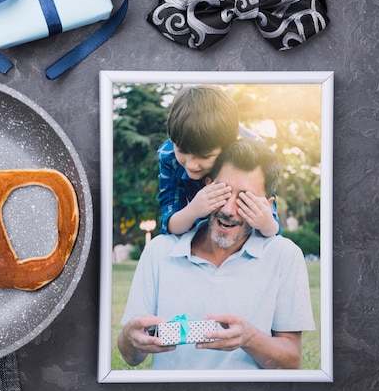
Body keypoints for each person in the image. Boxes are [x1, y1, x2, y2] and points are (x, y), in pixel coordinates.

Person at [118, 138, 314, 370]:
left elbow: (291, 362)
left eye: (244, 199)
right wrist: (130, 340)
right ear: (207, 186)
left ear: (266, 205)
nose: (228, 209)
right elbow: (130, 356)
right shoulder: (158, 251)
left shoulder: (285, 256)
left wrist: (249, 338)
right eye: (223, 192)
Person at [157, 85, 280, 236]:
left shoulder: (255, 158)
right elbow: (169, 225)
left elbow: (273, 226)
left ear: (228, 146)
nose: (191, 164)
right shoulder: (169, 155)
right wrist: (194, 209)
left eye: (204, 156)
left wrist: (266, 224)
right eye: (182, 151)